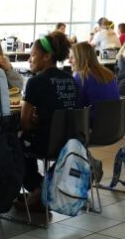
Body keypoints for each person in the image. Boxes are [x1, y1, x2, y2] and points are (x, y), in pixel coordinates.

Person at [19, 31, 78, 208]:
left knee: (14, 144)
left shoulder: (35, 82)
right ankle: (43, 188)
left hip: (46, 143)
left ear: (46, 56)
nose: (30, 59)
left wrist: (35, 122)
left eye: (33, 55)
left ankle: (38, 188)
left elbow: (24, 123)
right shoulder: (70, 80)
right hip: (70, 142)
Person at [70, 42, 119, 127]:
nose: (69, 61)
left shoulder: (81, 77)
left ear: (80, 58)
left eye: (72, 57)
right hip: (115, 126)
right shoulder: (108, 73)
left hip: (95, 127)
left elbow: (76, 107)